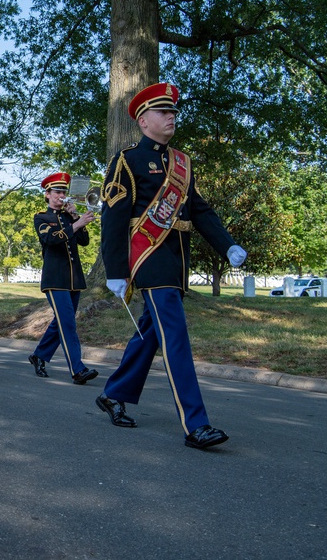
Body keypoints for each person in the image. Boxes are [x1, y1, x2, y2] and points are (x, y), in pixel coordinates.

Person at [97, 82, 247, 450]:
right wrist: (116, 270)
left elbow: (199, 210)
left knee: (151, 332)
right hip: (149, 259)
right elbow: (113, 219)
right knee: (175, 337)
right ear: (144, 120)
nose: (172, 118)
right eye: (164, 113)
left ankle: (114, 392)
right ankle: (196, 424)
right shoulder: (127, 160)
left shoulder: (182, 162)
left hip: (177, 262)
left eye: (174, 113)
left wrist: (227, 246)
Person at [29, 173, 100, 384]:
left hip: (74, 279)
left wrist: (77, 217)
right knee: (68, 323)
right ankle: (78, 370)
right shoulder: (41, 217)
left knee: (61, 322)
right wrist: (75, 225)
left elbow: (85, 241)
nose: (62, 195)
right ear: (47, 194)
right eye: (57, 192)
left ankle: (39, 355)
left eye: (64, 192)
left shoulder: (69, 217)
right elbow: (50, 239)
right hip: (55, 279)